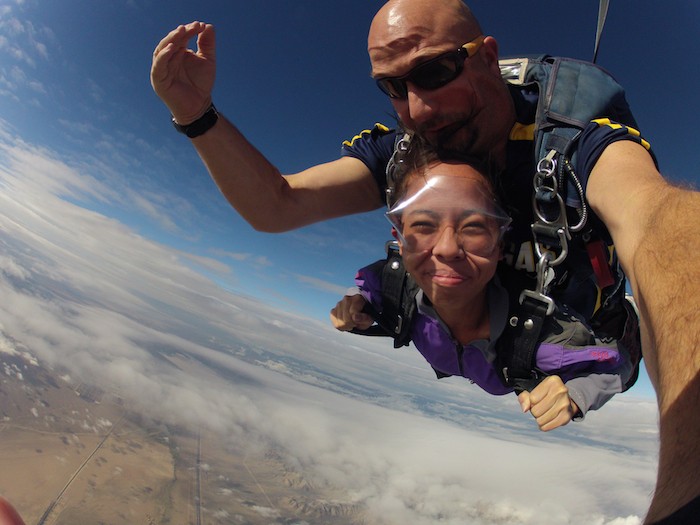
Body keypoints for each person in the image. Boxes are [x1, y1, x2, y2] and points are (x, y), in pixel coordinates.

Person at [151, 1, 700, 522]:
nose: (418, 107)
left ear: (487, 57)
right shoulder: (404, 152)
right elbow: (279, 204)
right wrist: (196, 115)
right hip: (494, 331)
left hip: (571, 334)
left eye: (434, 71)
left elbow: (658, 223)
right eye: (393, 86)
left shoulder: (579, 148)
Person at [330, 138, 636, 432]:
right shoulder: (393, 285)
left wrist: (576, 395)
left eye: (474, 227)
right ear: (400, 241)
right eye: (424, 225)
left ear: (498, 245)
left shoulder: (541, 338)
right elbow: (368, 288)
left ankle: (625, 311)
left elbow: (617, 365)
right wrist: (355, 303)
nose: (447, 249)